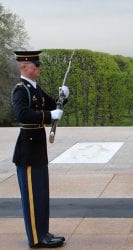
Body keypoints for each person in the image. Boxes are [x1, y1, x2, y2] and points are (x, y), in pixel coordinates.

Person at [11, 50, 69, 248]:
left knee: (41, 194)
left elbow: (54, 105)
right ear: (24, 67)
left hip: (38, 149)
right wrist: (49, 115)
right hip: (27, 151)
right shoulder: (21, 90)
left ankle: (43, 232)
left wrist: (63, 97)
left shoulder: (35, 88)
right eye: (35, 65)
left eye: (38, 65)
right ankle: (36, 238)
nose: (39, 67)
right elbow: (22, 115)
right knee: (32, 197)